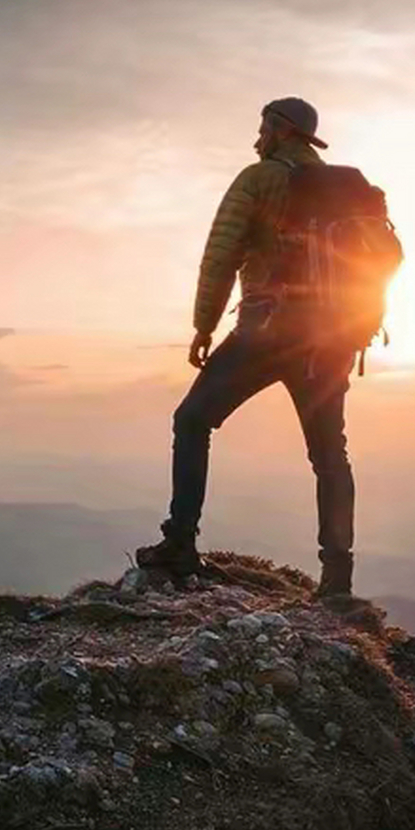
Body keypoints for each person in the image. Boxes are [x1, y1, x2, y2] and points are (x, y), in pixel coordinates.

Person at [135, 96, 364, 599]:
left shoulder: (259, 180)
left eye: (262, 128)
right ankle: (338, 580)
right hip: (330, 340)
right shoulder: (349, 189)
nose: (256, 139)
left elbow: (221, 254)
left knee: (192, 420)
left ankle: (179, 544)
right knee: (330, 454)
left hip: (268, 329)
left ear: (281, 130)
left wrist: (204, 326)